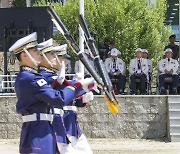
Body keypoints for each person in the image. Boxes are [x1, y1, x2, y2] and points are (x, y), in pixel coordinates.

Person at [9, 32, 96, 154]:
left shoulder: (31, 77)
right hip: (37, 135)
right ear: (24, 54)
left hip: (44, 131)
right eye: (34, 50)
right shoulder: (30, 78)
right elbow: (58, 99)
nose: (39, 53)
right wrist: (78, 86)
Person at [53, 45, 94, 154]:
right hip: (59, 122)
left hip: (71, 123)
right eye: (63, 60)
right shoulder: (50, 76)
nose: (66, 63)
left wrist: (83, 98)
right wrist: (82, 85)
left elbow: (71, 98)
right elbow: (65, 89)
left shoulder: (61, 78)